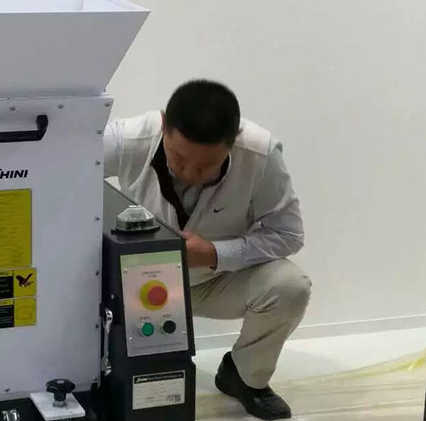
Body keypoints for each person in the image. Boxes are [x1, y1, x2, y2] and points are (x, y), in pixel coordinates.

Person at [103, 79, 312, 420]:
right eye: (178, 157)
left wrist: (216, 253)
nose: (189, 173)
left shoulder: (260, 153)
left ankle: (245, 376)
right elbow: (63, 170)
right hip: (131, 284)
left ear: (233, 144)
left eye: (205, 166)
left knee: (290, 287)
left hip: (214, 281)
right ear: (163, 126)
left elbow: (289, 234)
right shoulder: (128, 138)